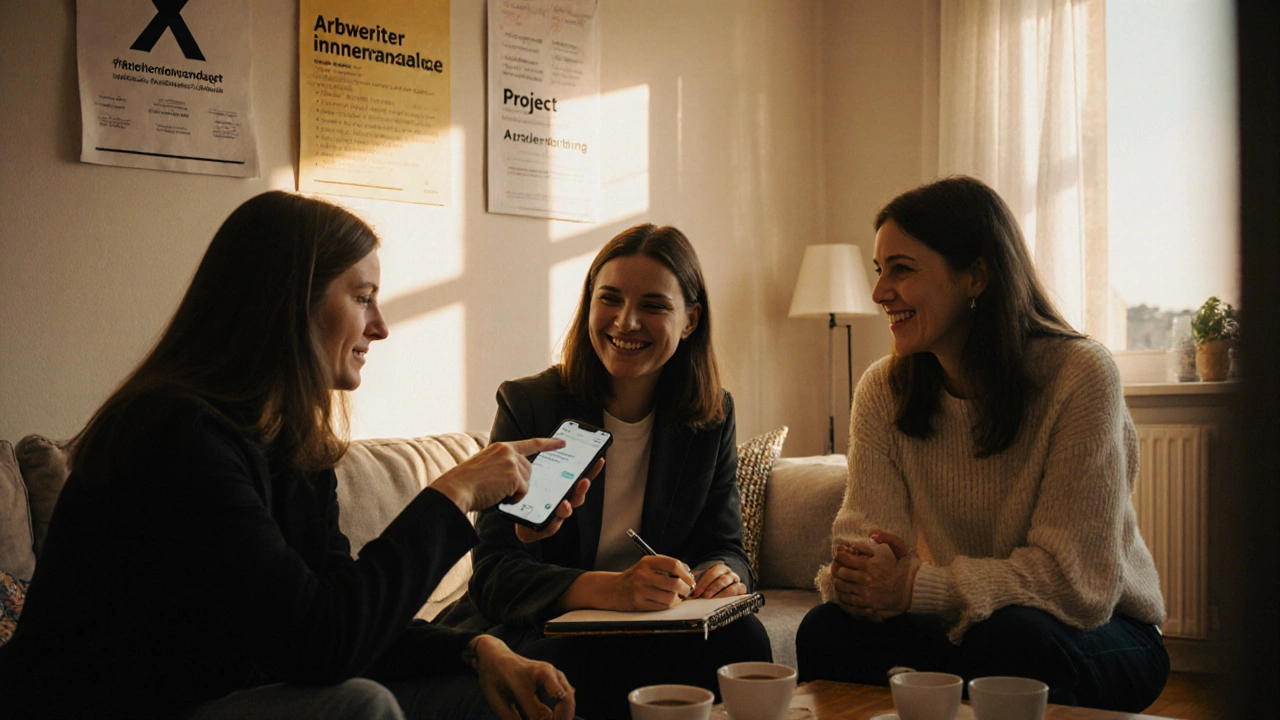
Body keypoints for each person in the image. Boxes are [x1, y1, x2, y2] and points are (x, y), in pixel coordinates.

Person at [0, 191, 582, 720]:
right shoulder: (175, 437)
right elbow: (321, 645)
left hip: (218, 696)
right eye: (362, 298)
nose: (380, 326)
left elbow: (342, 614)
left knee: (504, 694)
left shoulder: (292, 448)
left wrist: (478, 649)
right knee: (360, 706)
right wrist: (452, 493)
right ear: (287, 303)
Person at [794, 176, 1169, 712]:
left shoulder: (1080, 374)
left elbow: (1072, 584)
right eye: (881, 271)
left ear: (975, 276)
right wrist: (865, 573)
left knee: (1012, 637)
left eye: (901, 269)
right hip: (964, 620)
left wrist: (915, 587)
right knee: (827, 630)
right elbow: (864, 536)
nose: (879, 293)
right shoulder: (882, 388)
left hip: (1101, 629)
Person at [437, 223, 772, 718]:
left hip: (654, 622)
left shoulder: (710, 416)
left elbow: (723, 544)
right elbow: (495, 574)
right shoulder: (529, 404)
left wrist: (719, 577)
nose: (625, 321)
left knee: (743, 636)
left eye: (653, 306)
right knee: (575, 664)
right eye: (609, 299)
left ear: (690, 320)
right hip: (544, 627)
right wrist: (613, 589)